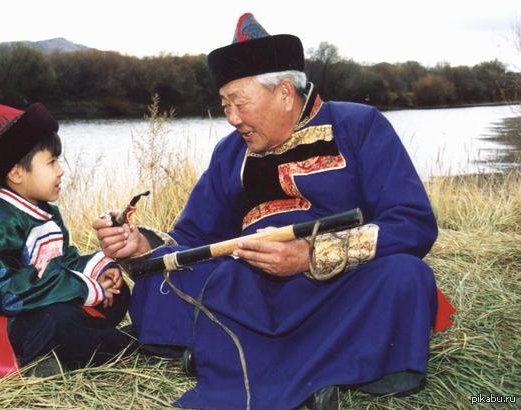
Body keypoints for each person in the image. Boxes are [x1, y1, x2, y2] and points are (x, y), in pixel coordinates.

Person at [94, 14, 455, 410]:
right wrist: (138, 242)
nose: (232, 118)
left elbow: (412, 222)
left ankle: (231, 355)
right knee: (169, 276)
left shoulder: (358, 126)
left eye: (239, 103)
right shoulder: (231, 152)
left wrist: (310, 256)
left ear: (285, 92)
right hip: (248, 284)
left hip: (337, 283)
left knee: (405, 275)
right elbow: (193, 237)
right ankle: (333, 361)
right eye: (225, 104)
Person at [0, 98, 132, 379]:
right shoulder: (1, 222)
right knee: (59, 321)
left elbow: (62, 261)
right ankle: (130, 347)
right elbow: (6, 293)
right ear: (16, 172)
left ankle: (66, 354)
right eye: (51, 162)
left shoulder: (47, 213)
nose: (61, 170)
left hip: (42, 305)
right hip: (3, 317)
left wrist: (98, 271)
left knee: (118, 293)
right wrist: (83, 287)